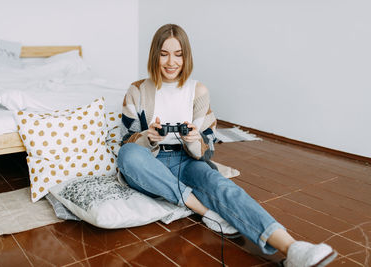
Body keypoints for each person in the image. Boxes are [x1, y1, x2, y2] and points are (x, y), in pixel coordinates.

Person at [117, 24, 337, 267]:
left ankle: (293, 248)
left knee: (220, 185)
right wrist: (148, 138)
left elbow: (208, 148)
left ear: (186, 56)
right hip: (150, 163)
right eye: (164, 53)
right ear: (154, 54)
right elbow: (126, 141)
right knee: (128, 155)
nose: (171, 62)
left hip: (186, 161)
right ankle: (204, 210)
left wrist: (193, 140)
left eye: (178, 54)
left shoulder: (197, 91)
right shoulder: (137, 90)